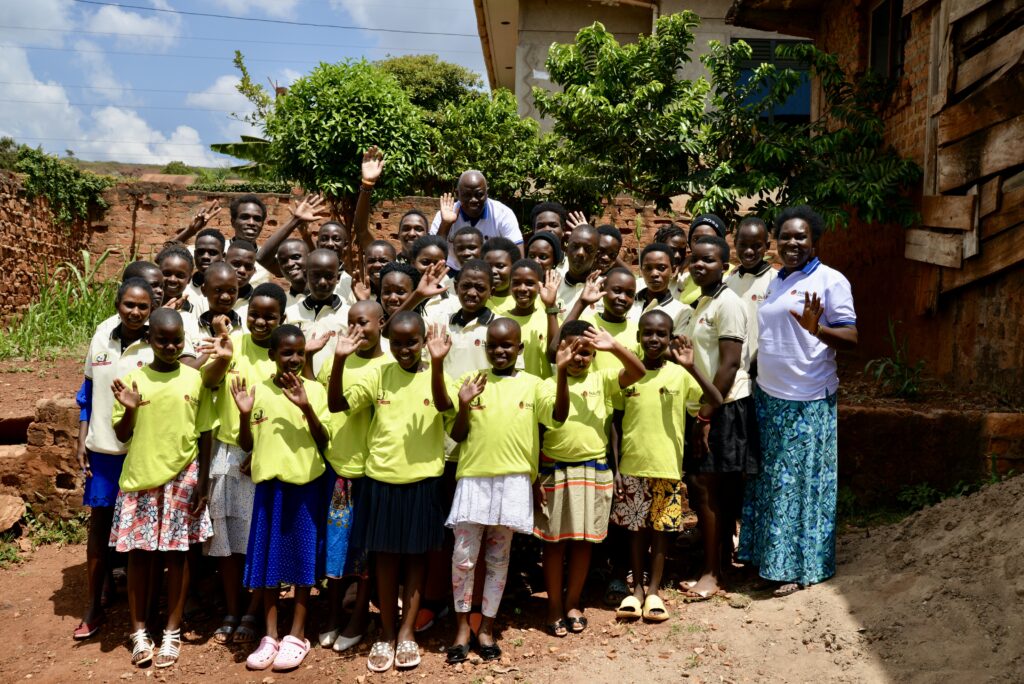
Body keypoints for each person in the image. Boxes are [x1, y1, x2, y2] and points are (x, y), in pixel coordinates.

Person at [738, 206, 858, 596]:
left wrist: (817, 328)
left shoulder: (830, 280)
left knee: (800, 485)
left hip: (807, 398)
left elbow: (853, 339)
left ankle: (798, 567)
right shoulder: (777, 280)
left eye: (800, 237)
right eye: (786, 236)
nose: (792, 243)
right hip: (769, 397)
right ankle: (767, 560)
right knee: (770, 482)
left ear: (814, 240)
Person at [328, 312, 454, 672]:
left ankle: (407, 633)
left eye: (411, 342)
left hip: (423, 482)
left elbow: (447, 409)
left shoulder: (436, 374)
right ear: (386, 338)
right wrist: (338, 360)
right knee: (383, 560)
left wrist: (439, 364)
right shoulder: (378, 374)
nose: (404, 349)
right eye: (396, 342)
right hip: (381, 480)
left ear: (423, 340)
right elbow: (337, 405)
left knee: (416, 560)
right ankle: (385, 633)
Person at [437, 318, 565, 664]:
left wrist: (563, 374)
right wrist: (464, 404)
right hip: (474, 480)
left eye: (507, 345)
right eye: (493, 345)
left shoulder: (534, 385)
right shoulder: (472, 382)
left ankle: (487, 627)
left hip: (513, 482)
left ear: (520, 349)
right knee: (463, 558)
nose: (500, 351)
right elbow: (459, 436)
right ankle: (462, 627)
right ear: (484, 348)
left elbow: (558, 415)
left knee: (498, 558)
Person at [108, 308, 215, 668]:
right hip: (142, 477)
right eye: (162, 340)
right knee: (139, 554)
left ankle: (171, 628)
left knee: (179, 554)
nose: (170, 347)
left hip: (183, 476)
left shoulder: (194, 379)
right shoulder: (132, 380)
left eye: (177, 341)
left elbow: (206, 432)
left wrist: (202, 483)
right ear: (149, 341)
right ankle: (138, 629)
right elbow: (122, 435)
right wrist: (131, 409)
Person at [533, 321, 644, 637]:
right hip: (557, 470)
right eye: (572, 350)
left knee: (584, 542)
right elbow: (558, 414)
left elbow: (637, 373)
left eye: (586, 352)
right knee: (555, 543)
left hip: (593, 470)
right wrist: (561, 374)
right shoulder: (545, 385)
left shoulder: (603, 379)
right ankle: (553, 605)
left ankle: (572, 602)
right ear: (560, 350)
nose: (579, 358)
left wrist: (615, 347)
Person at [610, 311, 722, 623]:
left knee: (661, 529)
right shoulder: (627, 375)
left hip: (666, 467)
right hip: (632, 466)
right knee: (636, 530)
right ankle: (637, 590)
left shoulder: (678, 374)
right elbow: (615, 424)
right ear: (638, 337)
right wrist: (617, 467)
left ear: (670, 338)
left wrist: (692, 367)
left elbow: (716, 398)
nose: (654, 339)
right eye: (648, 333)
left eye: (661, 334)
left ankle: (655, 590)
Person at [231, 325, 331, 672]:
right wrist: (244, 415)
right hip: (269, 490)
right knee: (268, 564)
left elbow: (324, 440)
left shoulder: (315, 391)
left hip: (305, 488)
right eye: (286, 352)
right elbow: (247, 445)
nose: (293, 359)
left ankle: (297, 634)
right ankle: (271, 635)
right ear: (272, 355)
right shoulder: (256, 392)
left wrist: (306, 408)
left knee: (303, 562)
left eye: (299, 352)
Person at [197, 283, 288, 647]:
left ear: (282, 318)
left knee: (257, 540)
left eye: (270, 316)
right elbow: (208, 381)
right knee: (227, 541)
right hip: (228, 455)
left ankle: (253, 609)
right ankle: (232, 609)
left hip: (264, 459)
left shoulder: (284, 353)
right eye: (255, 314)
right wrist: (221, 356)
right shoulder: (232, 344)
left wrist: (263, 453)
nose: (261, 321)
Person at [73, 277, 158, 641]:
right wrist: (82, 438)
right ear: (117, 304)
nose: (135, 312)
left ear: (152, 309)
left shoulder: (157, 341)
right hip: (104, 449)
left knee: (143, 533)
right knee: (100, 526)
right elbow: (88, 391)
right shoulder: (102, 333)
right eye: (129, 305)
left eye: (143, 307)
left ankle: (146, 612)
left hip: (142, 451)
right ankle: (94, 606)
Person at [681, 235, 758, 600]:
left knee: (707, 488)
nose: (699, 265)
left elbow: (728, 365)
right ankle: (718, 564)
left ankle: (713, 573)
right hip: (707, 406)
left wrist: (706, 415)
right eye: (694, 260)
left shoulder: (729, 303)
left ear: (723, 264)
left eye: (708, 260)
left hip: (723, 405)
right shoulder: (702, 302)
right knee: (708, 489)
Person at [315, 301, 390, 653]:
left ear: (381, 323)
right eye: (351, 323)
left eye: (364, 322)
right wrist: (339, 359)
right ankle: (331, 613)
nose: (357, 330)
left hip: (371, 470)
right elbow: (324, 405)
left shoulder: (389, 365)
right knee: (336, 546)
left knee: (366, 551)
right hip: (337, 467)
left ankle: (361, 614)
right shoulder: (336, 359)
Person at [430, 171, 524, 271]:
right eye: (467, 195)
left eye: (479, 194)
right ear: (457, 194)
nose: (473, 200)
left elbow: (518, 255)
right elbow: (432, 256)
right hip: (453, 271)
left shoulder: (503, 214)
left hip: (490, 272)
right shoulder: (446, 214)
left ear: (487, 192)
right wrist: (446, 224)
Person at [174, 195, 274, 287]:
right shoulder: (214, 249)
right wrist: (190, 231)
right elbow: (165, 256)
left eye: (257, 219)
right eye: (245, 217)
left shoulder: (266, 259)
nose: (251, 223)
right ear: (233, 222)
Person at [285, 248, 349, 378]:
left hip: (335, 388)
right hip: (297, 385)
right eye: (316, 275)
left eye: (329, 276)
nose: (322, 282)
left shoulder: (348, 314)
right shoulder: (291, 313)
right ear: (305, 275)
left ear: (338, 277)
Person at [562, 269, 642, 371]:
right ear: (602, 289)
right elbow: (554, 350)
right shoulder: (585, 325)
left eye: (630, 294)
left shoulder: (637, 332)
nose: (623, 298)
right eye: (617, 291)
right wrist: (582, 302)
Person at [725, 217, 775, 377]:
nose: (749, 251)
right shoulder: (727, 283)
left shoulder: (776, 282)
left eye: (756, 246)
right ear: (734, 244)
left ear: (767, 246)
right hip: (732, 372)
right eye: (743, 245)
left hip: (763, 372)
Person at [504, 259, 560, 379]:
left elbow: (555, 355)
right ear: (510, 285)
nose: (523, 288)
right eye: (516, 283)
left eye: (529, 283)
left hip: (541, 391)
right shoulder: (500, 320)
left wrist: (550, 307)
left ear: (540, 286)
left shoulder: (549, 318)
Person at [631, 243, 690, 335]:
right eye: (648, 268)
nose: (654, 274)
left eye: (661, 268)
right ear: (641, 270)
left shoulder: (682, 311)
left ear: (673, 270)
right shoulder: (628, 303)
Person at [676, 214, 731, 306]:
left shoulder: (732, 275)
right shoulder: (686, 277)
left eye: (708, 239)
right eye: (696, 239)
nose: (701, 244)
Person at [556, 224, 600, 317]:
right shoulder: (553, 285)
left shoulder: (604, 288)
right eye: (575, 246)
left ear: (596, 255)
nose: (580, 253)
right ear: (566, 248)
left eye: (588, 249)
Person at [183, 228, 226, 313]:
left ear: (223, 257)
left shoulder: (231, 293)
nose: (205, 257)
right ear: (195, 255)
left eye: (213, 253)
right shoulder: (183, 289)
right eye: (201, 252)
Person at [482, 237, 519, 315]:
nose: (493, 271)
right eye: (488, 266)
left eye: (500, 266)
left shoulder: (525, 301)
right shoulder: (476, 300)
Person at [225, 239, 258, 324]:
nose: (242, 271)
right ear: (223, 263)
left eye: (248, 267)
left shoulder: (257, 304)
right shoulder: (206, 297)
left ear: (254, 271)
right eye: (236, 264)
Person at [156, 244, 195, 312]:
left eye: (180, 275)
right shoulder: (144, 307)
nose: (172, 279)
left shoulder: (194, 312)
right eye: (167, 273)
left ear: (189, 279)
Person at [276, 239, 311, 309]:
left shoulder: (332, 295)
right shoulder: (280, 305)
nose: (289, 264)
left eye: (296, 257)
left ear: (310, 257)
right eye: (283, 261)